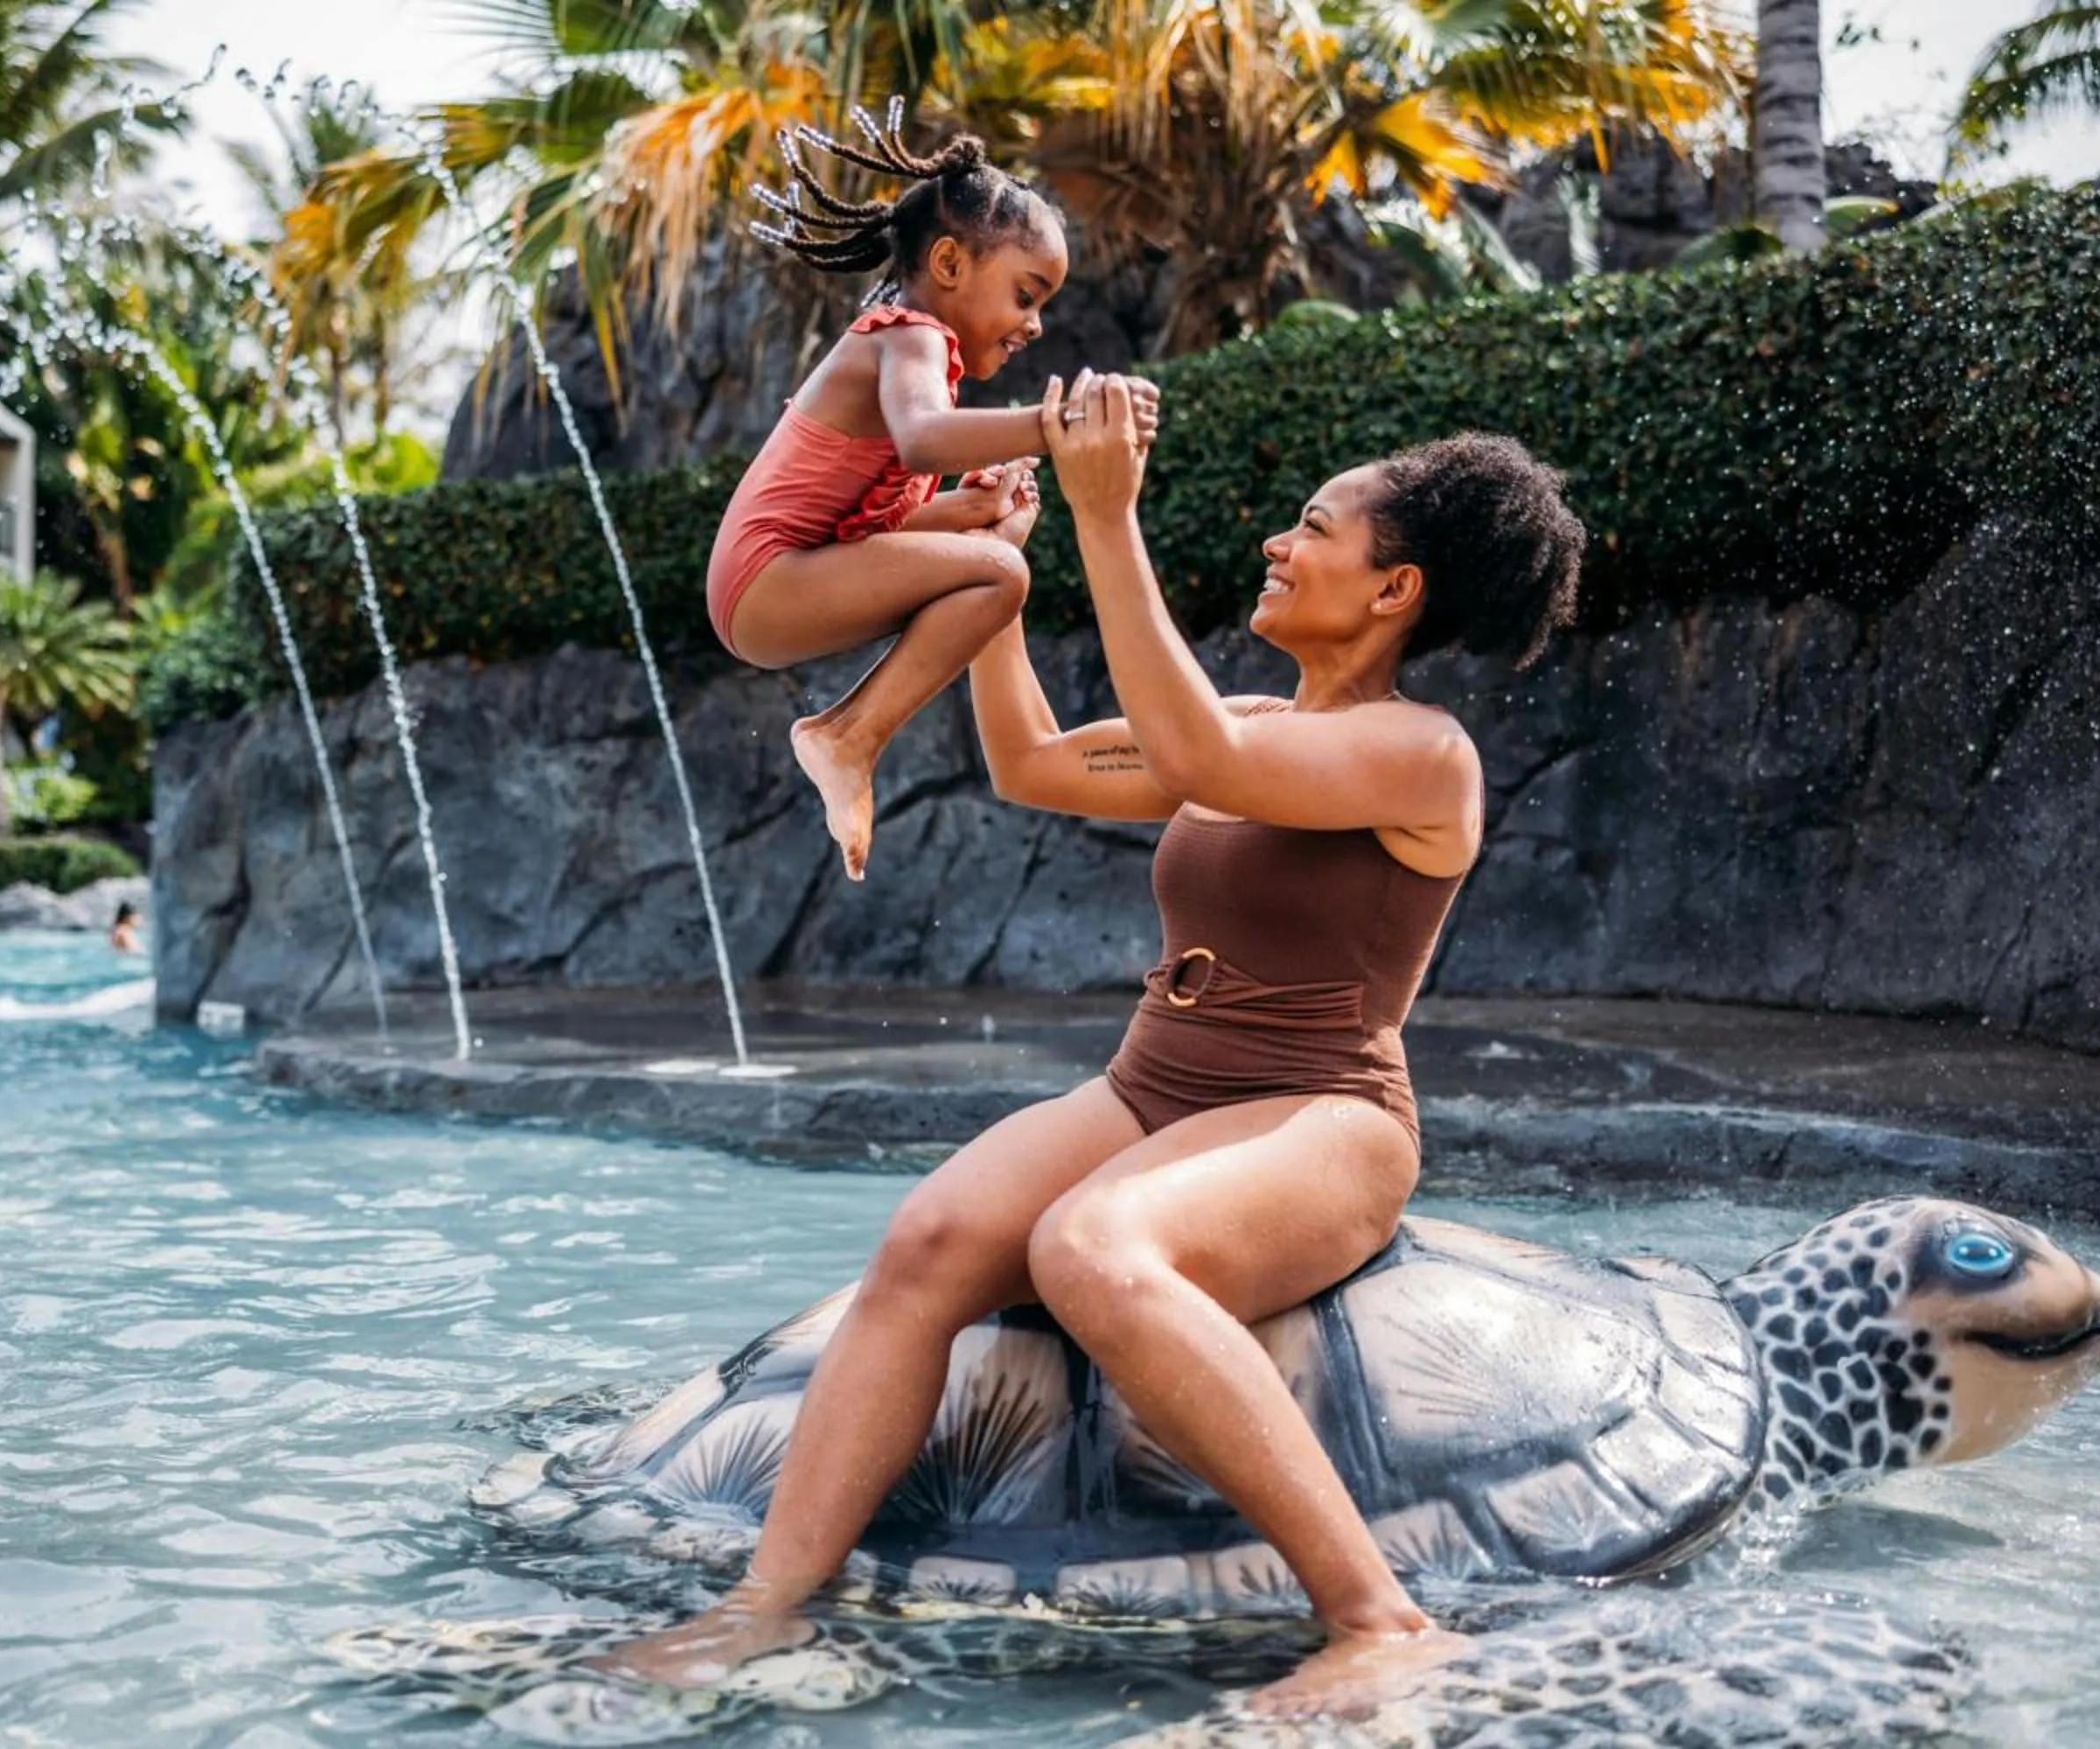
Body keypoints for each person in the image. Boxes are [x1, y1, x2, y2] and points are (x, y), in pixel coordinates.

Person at [615, 386, 1585, 1719]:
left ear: (1392, 589)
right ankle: (763, 1606)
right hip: (1156, 1083)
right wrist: (1000, 581)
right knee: (926, 1243)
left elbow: (1197, 753)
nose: (1277, 546)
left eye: (1312, 530)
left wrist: (1106, 512)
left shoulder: (1425, 757)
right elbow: (1030, 765)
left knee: (1092, 1251)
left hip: (1322, 1111)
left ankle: (1380, 1622)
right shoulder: (1253, 718)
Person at [712, 100, 1156, 880]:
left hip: (775, 588)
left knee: (990, 561)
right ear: (949, 266)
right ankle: (846, 738)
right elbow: (924, 440)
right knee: (998, 573)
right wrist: (1057, 422)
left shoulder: (912, 351)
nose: (1036, 326)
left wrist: (973, 509)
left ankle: (847, 736)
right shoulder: (912, 334)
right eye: (1026, 295)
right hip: (767, 581)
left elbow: (868, 520)